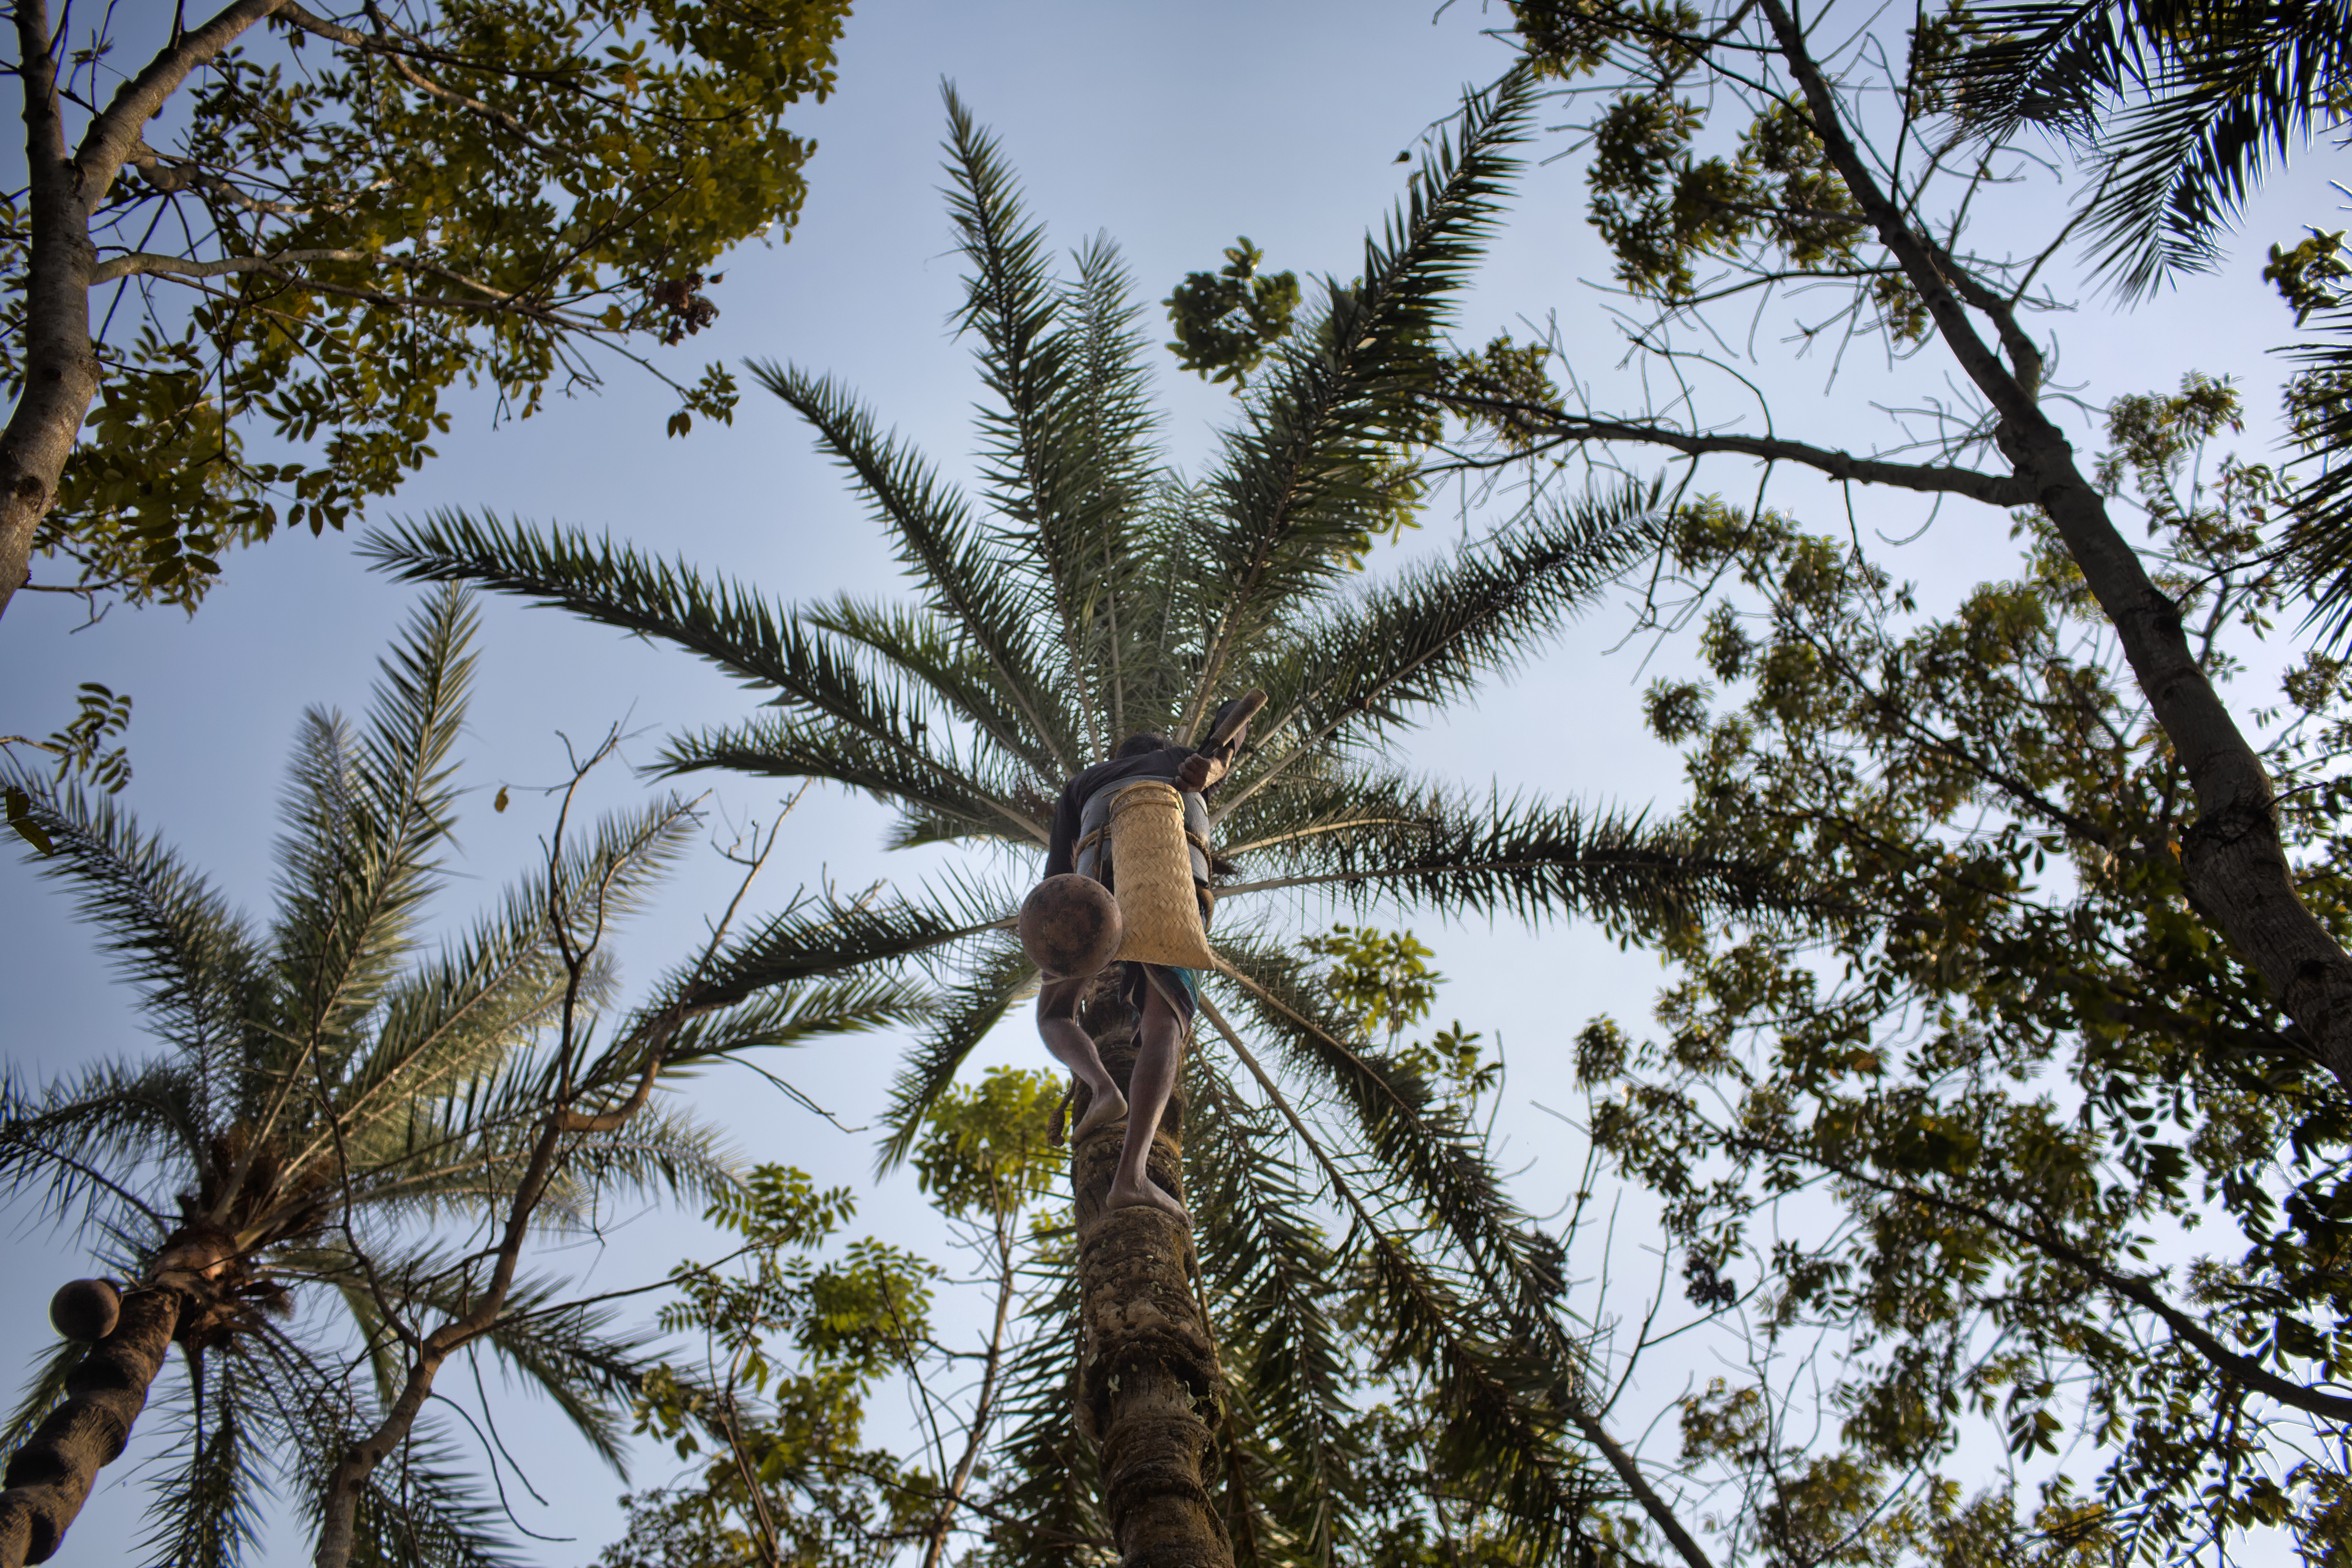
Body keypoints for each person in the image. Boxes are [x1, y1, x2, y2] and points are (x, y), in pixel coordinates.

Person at [1038, 698, 1254, 1221]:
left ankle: (1103, 1087)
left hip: (1097, 888)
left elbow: (1055, 880)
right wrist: (1215, 766)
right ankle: (1131, 1176)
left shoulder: (1084, 781)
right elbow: (1234, 724)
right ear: (1161, 749)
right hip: (1170, 881)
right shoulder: (1182, 760)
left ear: (1116, 755)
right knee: (1164, 1028)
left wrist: (1054, 950)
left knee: (1053, 1013)